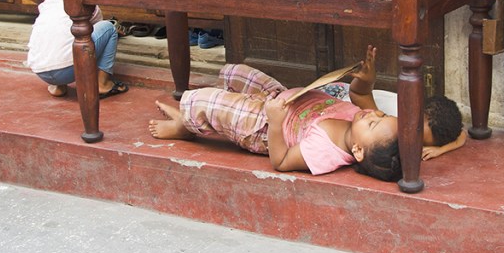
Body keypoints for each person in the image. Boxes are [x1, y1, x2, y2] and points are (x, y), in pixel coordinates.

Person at [148, 46, 402, 182]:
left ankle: (186, 126)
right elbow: (360, 96)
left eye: (373, 124)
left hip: (264, 126)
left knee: (208, 102)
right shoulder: (362, 119)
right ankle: (201, 118)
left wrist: (276, 122)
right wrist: (367, 80)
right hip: (282, 98)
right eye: (380, 116)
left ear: (357, 150)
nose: (372, 115)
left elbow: (281, 161)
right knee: (237, 72)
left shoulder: (325, 153)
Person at [26, 0, 128, 99]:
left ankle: (58, 86)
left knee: (61, 38)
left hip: (41, 71)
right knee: (109, 29)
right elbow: (98, 25)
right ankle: (102, 83)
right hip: (68, 69)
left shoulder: (47, 4)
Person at [318, 87, 467, 161]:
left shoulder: (432, 128)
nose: (411, 136)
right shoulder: (390, 120)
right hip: (337, 97)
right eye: (415, 129)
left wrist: (440, 150)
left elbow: (461, 134)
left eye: (420, 140)